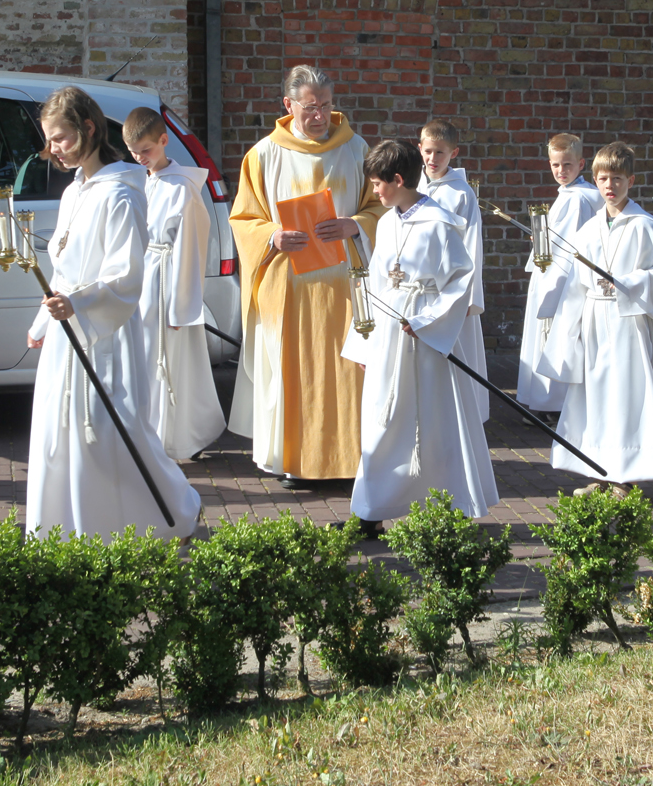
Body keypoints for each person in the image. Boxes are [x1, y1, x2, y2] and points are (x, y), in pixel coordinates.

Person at [24, 87, 201, 539]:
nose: (53, 151)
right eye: (49, 140)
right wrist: (44, 319)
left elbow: (125, 275)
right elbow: (62, 266)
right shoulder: (75, 192)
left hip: (105, 334)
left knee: (107, 431)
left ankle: (172, 514)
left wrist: (77, 303)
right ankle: (66, 530)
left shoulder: (121, 193)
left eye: (61, 138)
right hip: (68, 332)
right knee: (59, 433)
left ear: (88, 128)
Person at [229, 66, 387, 487]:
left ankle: (350, 461)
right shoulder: (262, 155)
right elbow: (244, 219)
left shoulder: (356, 150)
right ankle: (294, 463)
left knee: (349, 369)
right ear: (288, 105)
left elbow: (381, 207)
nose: (318, 115)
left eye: (326, 105)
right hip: (290, 288)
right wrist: (274, 235)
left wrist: (355, 224)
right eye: (309, 107)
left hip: (345, 284)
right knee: (292, 374)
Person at [344, 139, 498, 535]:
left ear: (398, 180)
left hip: (425, 341)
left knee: (434, 422)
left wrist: (427, 319)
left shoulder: (441, 224)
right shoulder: (387, 221)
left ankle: (447, 507)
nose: (375, 192)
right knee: (382, 418)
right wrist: (364, 341)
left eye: (379, 184)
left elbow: (460, 282)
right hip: (390, 341)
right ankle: (371, 509)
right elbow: (377, 283)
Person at [537, 141, 653, 493]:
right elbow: (574, 286)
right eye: (603, 178)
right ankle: (600, 472)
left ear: (630, 180)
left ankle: (625, 477)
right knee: (595, 399)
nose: (609, 186)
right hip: (593, 321)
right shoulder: (588, 230)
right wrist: (565, 331)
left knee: (625, 397)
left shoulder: (645, 226)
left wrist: (628, 283)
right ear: (596, 180)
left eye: (617, 178)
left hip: (626, 323)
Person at [123, 108, 226, 463]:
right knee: (147, 358)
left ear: (164, 141)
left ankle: (182, 437)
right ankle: (154, 433)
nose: (140, 158)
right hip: (144, 278)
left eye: (147, 150)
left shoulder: (183, 188)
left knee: (171, 359)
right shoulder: (140, 179)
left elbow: (192, 247)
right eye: (134, 152)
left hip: (168, 283)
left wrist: (182, 304)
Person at [515, 133, 605, 418]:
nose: (560, 171)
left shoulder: (577, 199)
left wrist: (551, 283)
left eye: (567, 165)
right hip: (553, 272)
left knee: (553, 337)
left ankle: (552, 404)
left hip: (559, 278)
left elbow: (567, 248)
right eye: (555, 165)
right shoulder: (575, 195)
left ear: (581, 164)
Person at [416, 119, 488, 422]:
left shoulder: (462, 194)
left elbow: (472, 244)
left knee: (457, 350)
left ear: (454, 153)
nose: (433, 159)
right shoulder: (411, 185)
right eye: (428, 151)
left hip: (452, 285)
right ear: (419, 148)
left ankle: (462, 415)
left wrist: (468, 295)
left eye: (440, 153)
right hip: (420, 285)